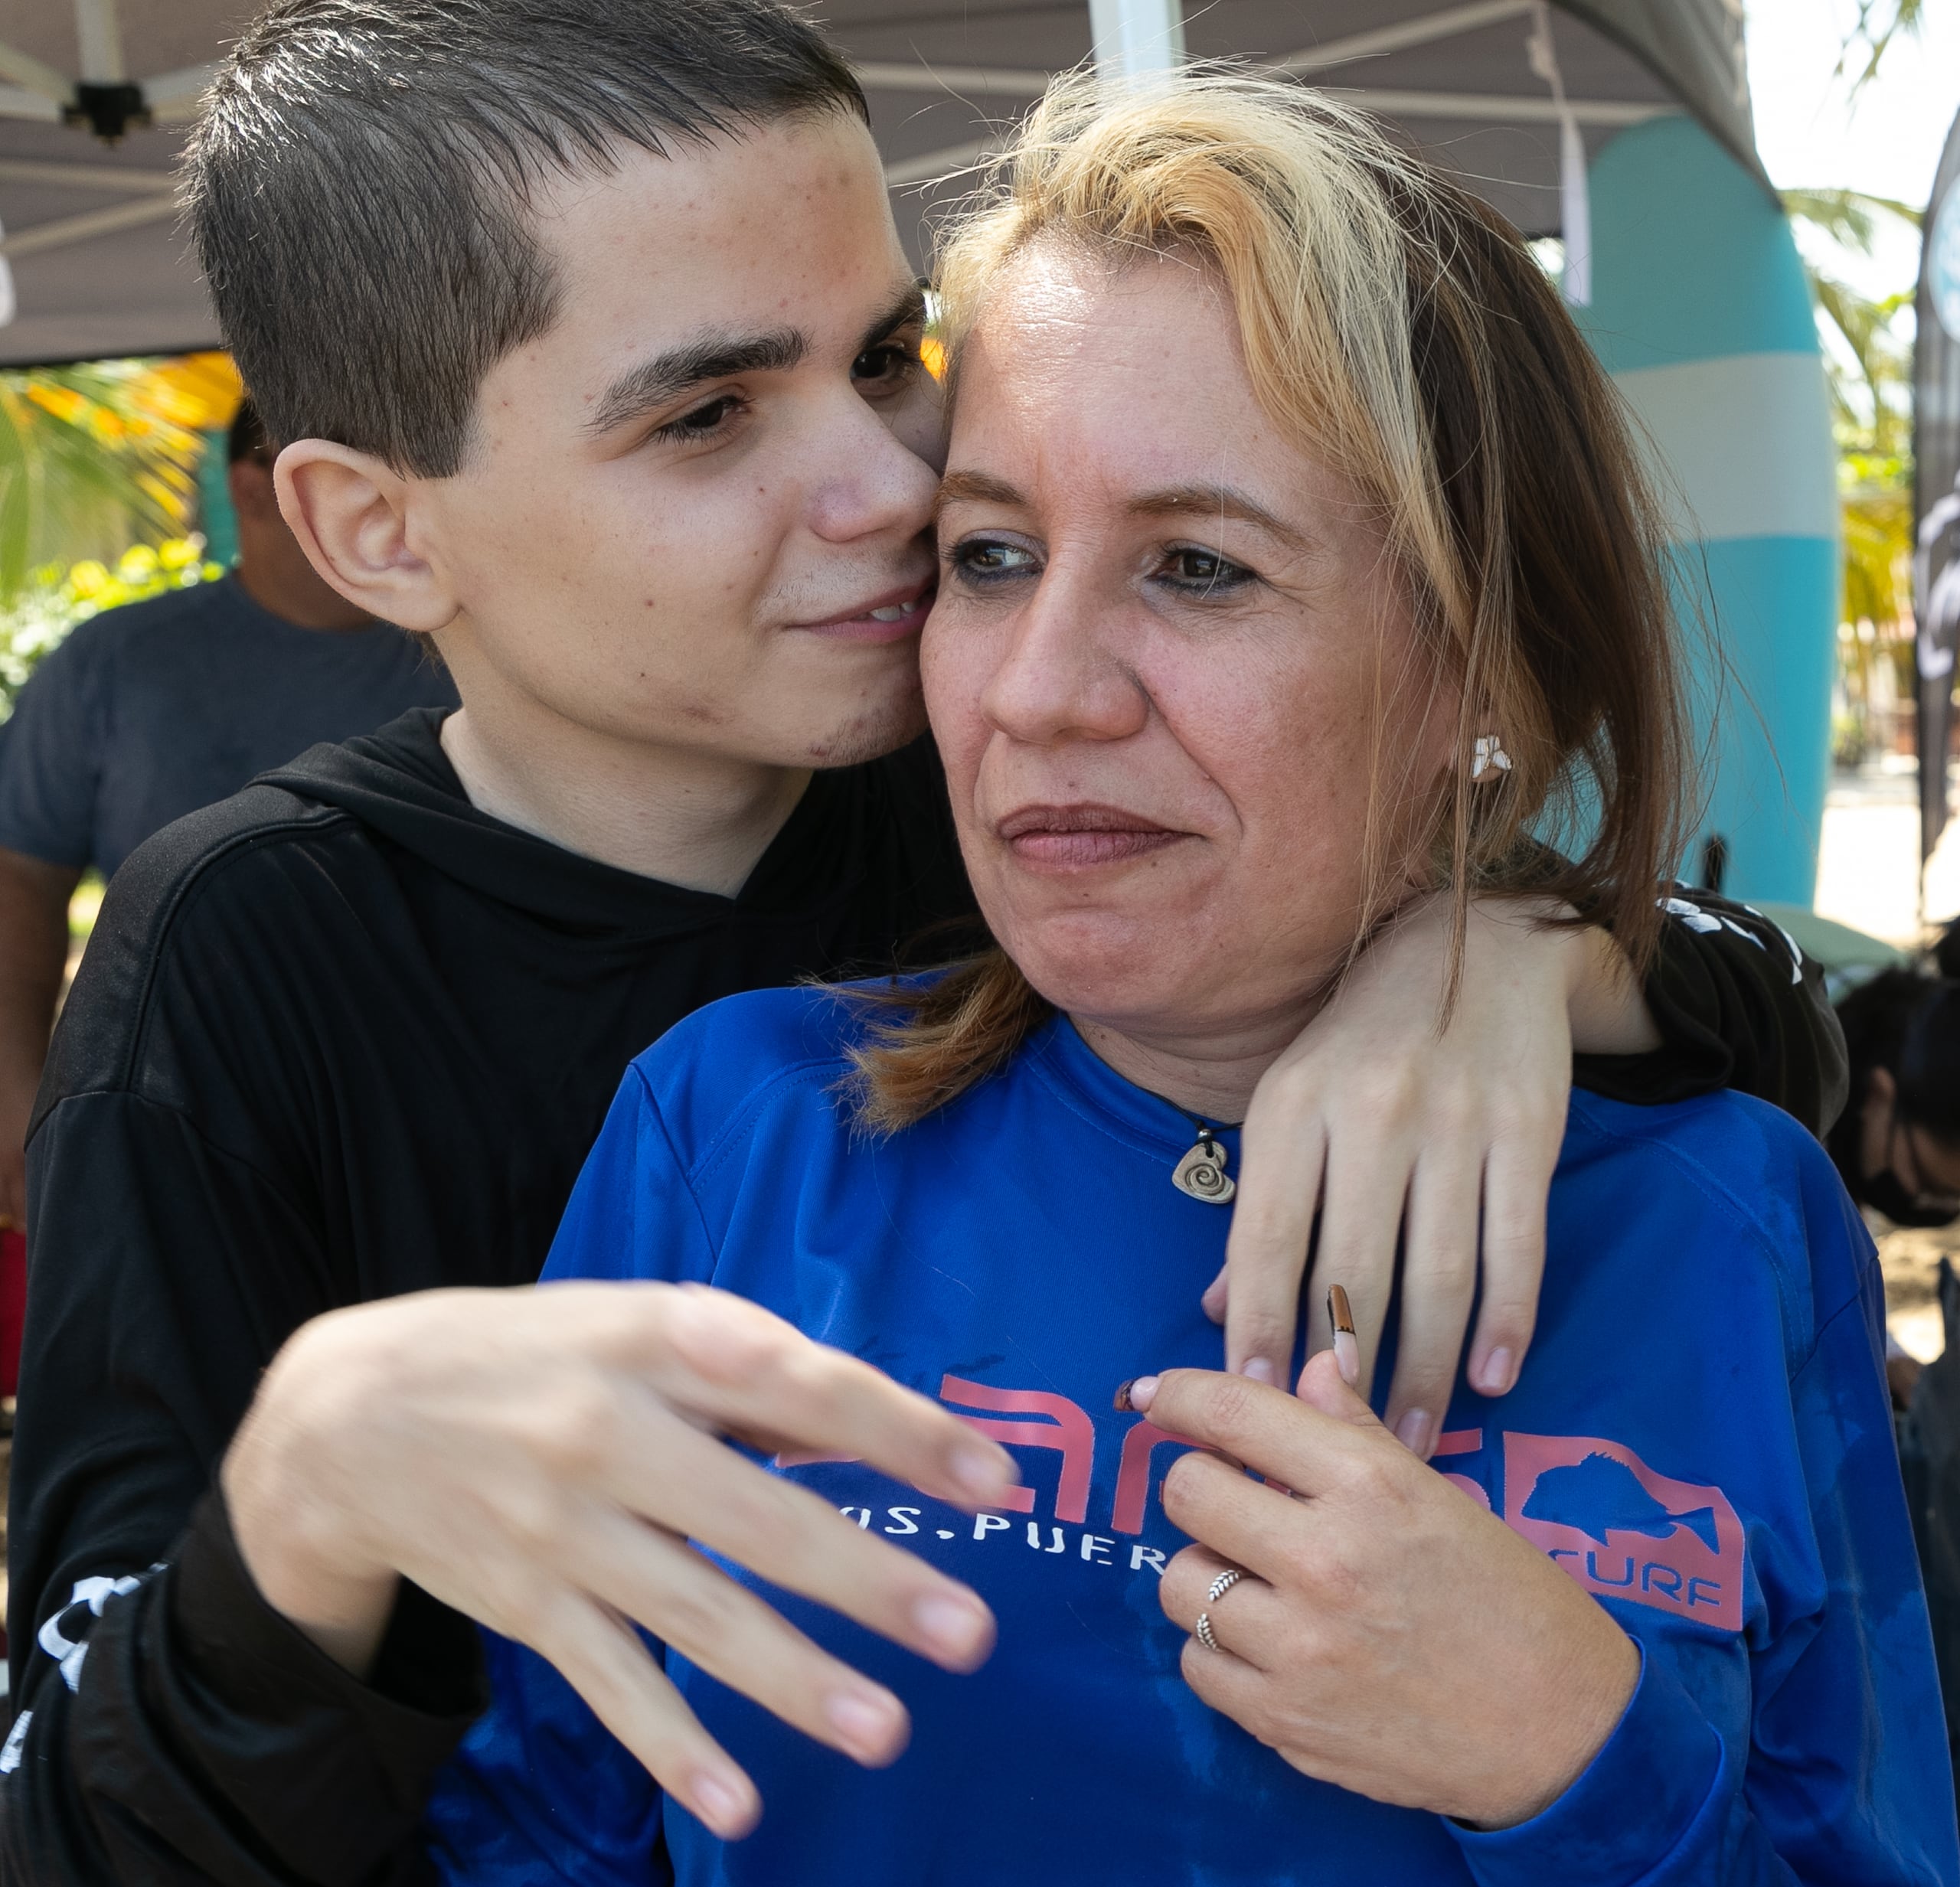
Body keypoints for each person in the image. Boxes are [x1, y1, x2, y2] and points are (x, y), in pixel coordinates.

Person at [2, 5, 1843, 1881]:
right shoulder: (253, 955)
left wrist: (1492, 961)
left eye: (887, 356)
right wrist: (305, 1489)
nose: (895, 487)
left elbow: (1764, 1056)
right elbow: (83, 1811)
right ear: (377, 534)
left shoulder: (1022, 811)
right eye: (708, 412)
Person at [429, 73, 1954, 1885]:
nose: (1037, 688)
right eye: (987, 555)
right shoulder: (737, 1135)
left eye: (1197, 567)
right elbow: (536, 1837)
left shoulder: (1729, 1218)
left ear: (1483, 675)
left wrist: (1574, 1761)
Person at [0, 397, 456, 1236]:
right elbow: (20, 874)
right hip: (168, 1107)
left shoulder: (476, 652)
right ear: (259, 490)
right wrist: (15, 1095)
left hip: (439, 1115)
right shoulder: (115, 660)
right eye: (352, 481)